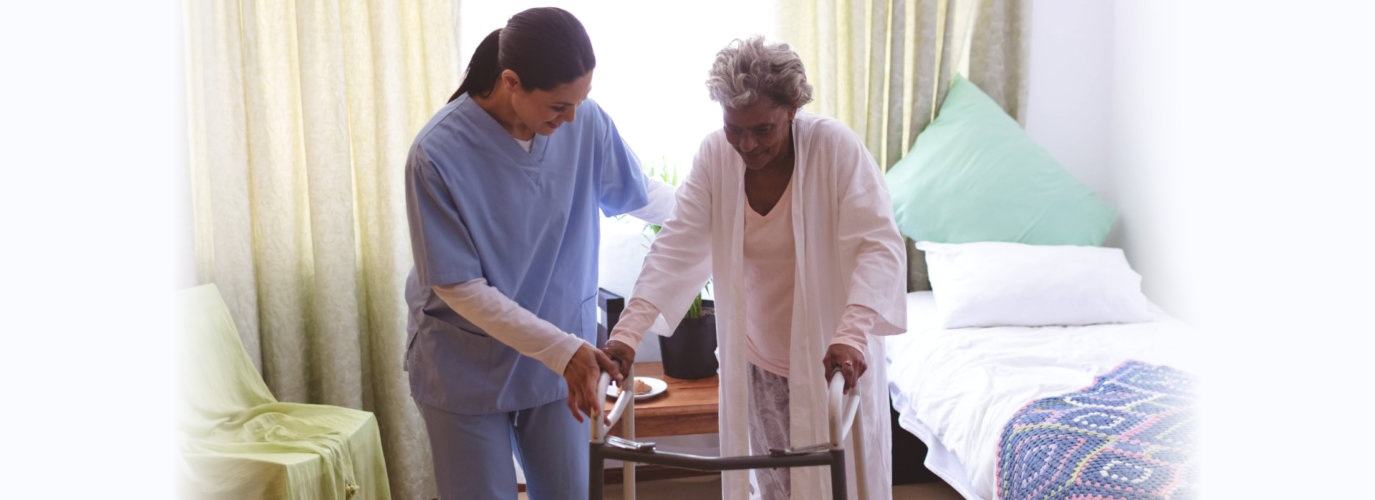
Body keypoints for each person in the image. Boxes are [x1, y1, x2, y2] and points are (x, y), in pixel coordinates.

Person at [603, 36, 908, 500]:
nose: (747, 144)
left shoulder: (834, 148)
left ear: (792, 109)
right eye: (734, 128)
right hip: (760, 357)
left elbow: (877, 244)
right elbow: (677, 245)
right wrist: (627, 333)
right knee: (776, 487)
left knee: (838, 483)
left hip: (835, 352)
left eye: (763, 130)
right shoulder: (714, 156)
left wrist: (853, 331)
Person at [402, 7, 674, 499]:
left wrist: (720, 214)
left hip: (563, 356)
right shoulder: (436, 154)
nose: (572, 117)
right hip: (469, 364)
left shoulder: (584, 121)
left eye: (581, 100)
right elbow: (458, 287)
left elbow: (642, 196)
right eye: (557, 106)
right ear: (510, 81)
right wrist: (563, 351)